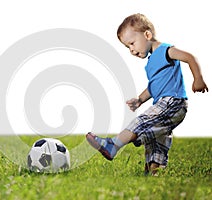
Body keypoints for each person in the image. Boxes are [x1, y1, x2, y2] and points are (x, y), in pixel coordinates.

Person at [86, 13, 209, 175]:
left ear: (147, 35)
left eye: (132, 43)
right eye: (127, 47)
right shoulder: (151, 63)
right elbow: (153, 87)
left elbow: (190, 58)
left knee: (141, 122)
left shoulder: (166, 51)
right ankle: (153, 171)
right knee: (156, 140)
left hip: (173, 102)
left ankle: (113, 145)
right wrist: (139, 100)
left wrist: (198, 78)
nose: (131, 50)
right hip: (165, 104)